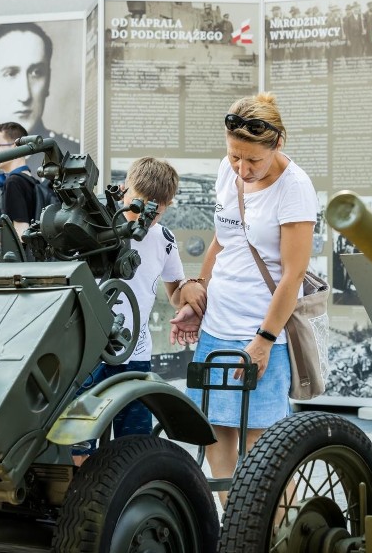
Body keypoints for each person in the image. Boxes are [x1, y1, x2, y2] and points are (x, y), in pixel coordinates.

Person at [172, 93, 317, 506]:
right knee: (216, 430)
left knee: (264, 448)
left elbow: (292, 275)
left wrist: (264, 340)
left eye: (252, 160)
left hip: (261, 332)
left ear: (277, 144)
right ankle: (236, 526)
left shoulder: (295, 189)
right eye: (235, 156)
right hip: (217, 326)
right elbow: (223, 238)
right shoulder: (227, 170)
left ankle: (274, 534)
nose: (242, 168)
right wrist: (197, 290)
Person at [71, 157, 187, 462]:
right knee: (78, 439)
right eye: (137, 201)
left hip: (134, 354)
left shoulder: (164, 240)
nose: (144, 214)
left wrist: (192, 297)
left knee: (133, 443)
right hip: (89, 352)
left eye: (155, 209)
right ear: (123, 190)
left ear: (168, 205)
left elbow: (176, 291)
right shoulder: (95, 228)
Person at [0, 22, 80, 233]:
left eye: (36, 72)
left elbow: (20, 236)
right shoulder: (30, 180)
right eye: (10, 73)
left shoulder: (15, 182)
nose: (25, 95)